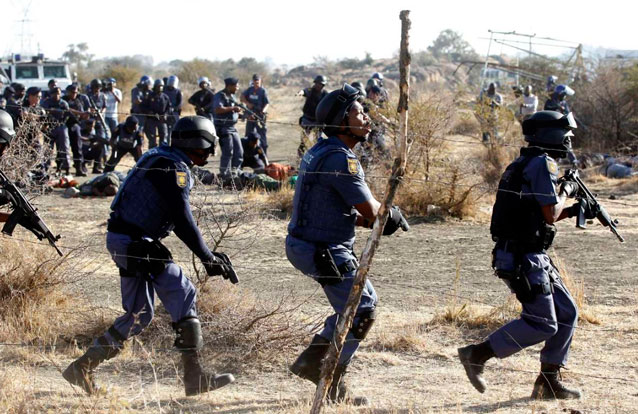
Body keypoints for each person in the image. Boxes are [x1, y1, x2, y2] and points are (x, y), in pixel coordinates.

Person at [63, 115, 237, 396]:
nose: (210, 152)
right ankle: (194, 377)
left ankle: (81, 368)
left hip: (125, 239)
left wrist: (208, 254)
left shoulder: (162, 157)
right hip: (134, 242)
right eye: (207, 146)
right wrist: (207, 257)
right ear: (198, 143)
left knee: (139, 314)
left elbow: (176, 217)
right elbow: (182, 219)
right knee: (183, 291)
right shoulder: (172, 167)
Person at [286, 84, 408, 405]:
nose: (366, 118)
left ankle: (313, 363)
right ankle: (329, 378)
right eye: (359, 113)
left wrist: (368, 219)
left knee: (358, 305)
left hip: (312, 244)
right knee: (361, 308)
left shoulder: (321, 150)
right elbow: (373, 211)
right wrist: (391, 214)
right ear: (342, 121)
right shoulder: (341, 159)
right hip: (322, 249)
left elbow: (328, 207)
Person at [458, 110, 589, 400]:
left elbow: (540, 214)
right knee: (543, 323)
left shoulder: (526, 162)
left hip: (531, 255)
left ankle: (548, 383)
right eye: (564, 133)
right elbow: (550, 212)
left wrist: (572, 210)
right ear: (549, 134)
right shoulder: (542, 163)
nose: (568, 139)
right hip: (521, 257)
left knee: (567, 312)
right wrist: (566, 191)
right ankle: (477, 354)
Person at [212, 77, 243, 177]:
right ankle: (224, 175)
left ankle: (235, 173)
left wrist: (243, 115)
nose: (237, 88)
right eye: (236, 86)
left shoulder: (232, 96)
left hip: (232, 128)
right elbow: (218, 109)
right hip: (223, 128)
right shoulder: (219, 96)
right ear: (229, 86)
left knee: (239, 151)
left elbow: (232, 112)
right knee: (228, 152)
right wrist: (233, 108)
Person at [41, 87, 72, 174]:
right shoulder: (47, 102)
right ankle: (46, 169)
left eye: (58, 93)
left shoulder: (63, 103)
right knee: (48, 149)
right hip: (50, 127)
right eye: (55, 93)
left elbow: (67, 114)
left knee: (64, 148)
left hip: (61, 126)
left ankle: (66, 168)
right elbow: (43, 113)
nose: (57, 95)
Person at [297, 75, 328, 157]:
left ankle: (317, 155)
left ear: (323, 85)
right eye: (317, 83)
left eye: (320, 84)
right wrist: (300, 93)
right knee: (305, 138)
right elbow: (304, 91)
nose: (318, 85)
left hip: (318, 121)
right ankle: (300, 154)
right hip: (307, 119)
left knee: (318, 139)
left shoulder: (325, 94)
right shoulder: (310, 90)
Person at [240, 74, 269, 154]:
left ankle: (263, 154)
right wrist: (247, 103)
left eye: (258, 82)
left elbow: (267, 103)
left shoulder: (263, 91)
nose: (256, 83)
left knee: (262, 136)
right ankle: (247, 154)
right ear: (253, 81)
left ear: (260, 81)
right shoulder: (249, 90)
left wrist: (263, 111)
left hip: (259, 116)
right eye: (255, 81)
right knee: (248, 135)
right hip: (250, 116)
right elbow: (242, 97)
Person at [142, 79, 171, 148]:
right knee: (152, 138)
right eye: (158, 86)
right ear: (155, 86)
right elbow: (143, 106)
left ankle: (163, 151)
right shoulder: (149, 96)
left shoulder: (165, 97)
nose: (160, 88)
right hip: (151, 119)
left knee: (164, 136)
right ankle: (152, 151)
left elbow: (169, 108)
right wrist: (149, 112)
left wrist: (165, 115)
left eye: (161, 86)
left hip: (162, 120)